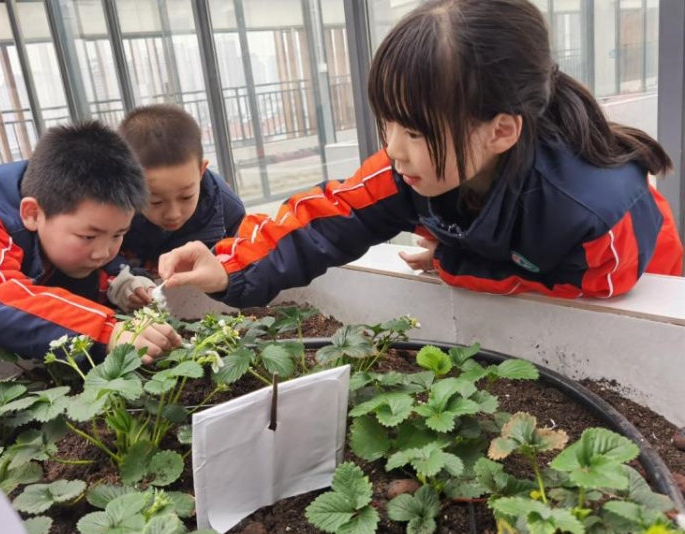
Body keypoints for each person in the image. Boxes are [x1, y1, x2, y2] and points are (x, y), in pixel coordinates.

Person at [156, 0, 682, 307]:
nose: (392, 149)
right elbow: (329, 216)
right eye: (387, 122)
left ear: (500, 131)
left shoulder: (595, 209)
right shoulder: (409, 169)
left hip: (645, 289)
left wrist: (456, 260)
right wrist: (226, 265)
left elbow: (595, 290)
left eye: (414, 130)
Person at [0, 121, 180, 363]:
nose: (103, 251)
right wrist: (108, 332)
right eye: (89, 237)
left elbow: (66, 258)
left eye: (118, 234)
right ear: (32, 213)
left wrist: (120, 279)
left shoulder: (62, 193)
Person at [104, 104, 246, 313]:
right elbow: (94, 255)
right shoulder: (108, 209)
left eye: (186, 196)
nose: (173, 214)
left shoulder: (228, 211)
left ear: (201, 171)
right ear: (128, 181)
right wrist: (122, 280)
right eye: (155, 201)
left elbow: (241, 267)